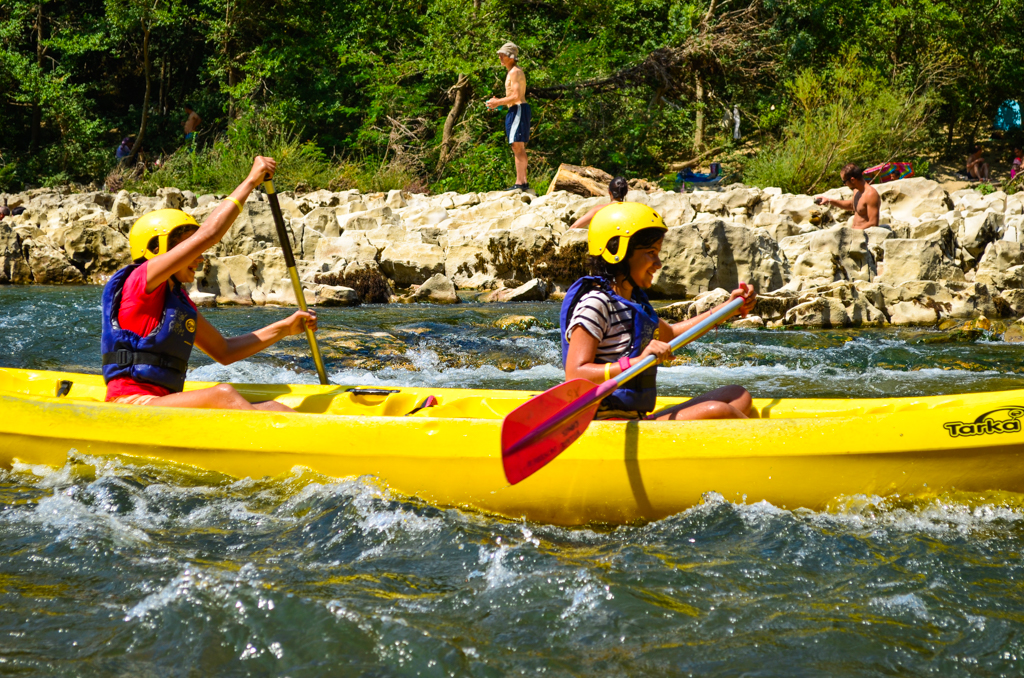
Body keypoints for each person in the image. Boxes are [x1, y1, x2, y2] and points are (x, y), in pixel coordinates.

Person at [101, 155, 318, 411]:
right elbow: (210, 235)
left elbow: (224, 351)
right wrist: (250, 181)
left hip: (161, 403)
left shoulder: (179, 304)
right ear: (157, 249)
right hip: (130, 403)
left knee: (274, 408)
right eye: (189, 248)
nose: (199, 257)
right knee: (222, 394)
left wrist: (284, 327)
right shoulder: (140, 281)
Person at [560, 202, 758, 421]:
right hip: (607, 424)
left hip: (636, 419)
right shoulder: (596, 304)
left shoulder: (634, 303)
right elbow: (575, 374)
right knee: (720, 412)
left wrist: (728, 309)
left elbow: (671, 334)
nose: (658, 263)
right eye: (651, 253)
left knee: (738, 396)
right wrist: (634, 363)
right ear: (618, 251)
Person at [485, 42, 530, 192]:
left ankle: (520, 182)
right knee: (517, 146)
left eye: (503, 55)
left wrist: (497, 101)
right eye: (499, 55)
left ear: (511, 57)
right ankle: (522, 182)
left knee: (516, 145)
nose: (500, 58)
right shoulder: (513, 71)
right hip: (516, 109)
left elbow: (516, 96)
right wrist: (499, 103)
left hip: (518, 109)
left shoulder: (514, 72)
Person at [815, 164, 880, 230]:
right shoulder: (856, 190)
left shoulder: (870, 194)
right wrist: (829, 200)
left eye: (844, 181)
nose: (844, 184)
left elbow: (873, 223)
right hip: (855, 234)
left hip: (864, 236)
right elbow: (853, 205)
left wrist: (851, 232)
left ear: (852, 180)